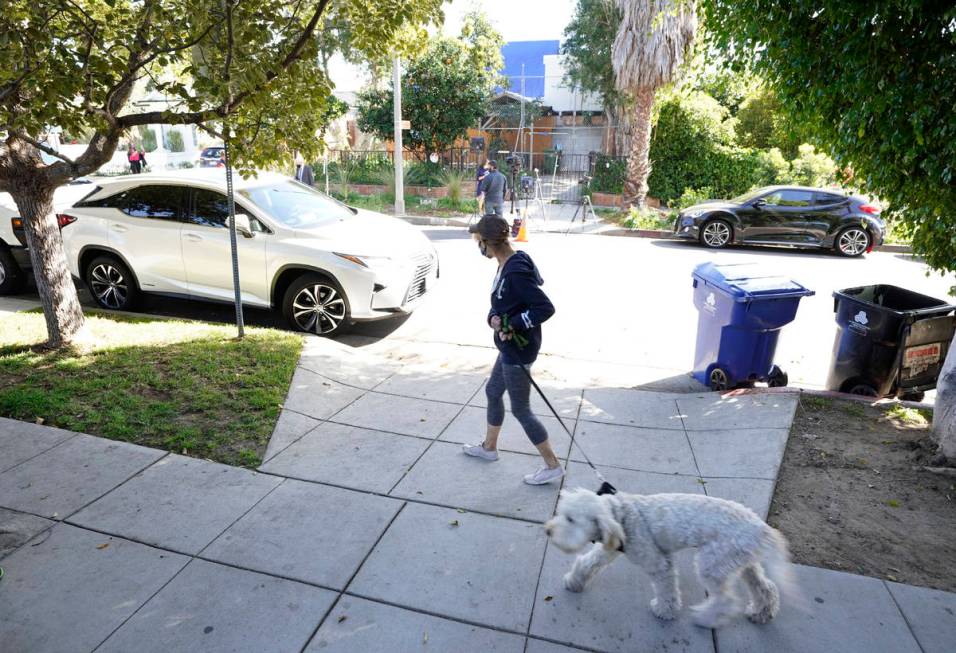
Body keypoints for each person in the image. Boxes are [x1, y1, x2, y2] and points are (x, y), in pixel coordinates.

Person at [463, 215, 563, 485]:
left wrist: (515, 325)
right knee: (493, 391)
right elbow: (501, 303)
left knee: (521, 409)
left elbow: (544, 308)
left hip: (519, 351)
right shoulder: (506, 263)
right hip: (508, 347)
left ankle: (552, 465)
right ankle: (489, 449)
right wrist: (494, 319)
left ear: (487, 243)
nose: (477, 246)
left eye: (478, 241)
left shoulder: (516, 271)